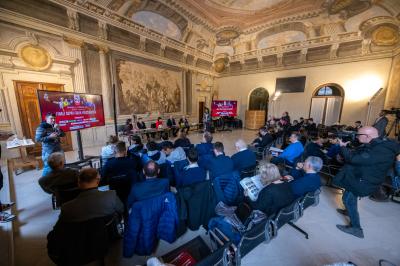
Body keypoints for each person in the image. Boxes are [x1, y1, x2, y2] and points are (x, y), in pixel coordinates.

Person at [333, 126, 399, 238]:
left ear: (367, 136)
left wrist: (343, 148)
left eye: (359, 135)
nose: (357, 137)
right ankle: (349, 211)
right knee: (348, 198)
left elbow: (354, 159)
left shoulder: (380, 150)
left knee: (348, 199)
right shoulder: (380, 143)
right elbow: (362, 153)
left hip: (364, 181)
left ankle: (356, 228)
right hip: (361, 177)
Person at [59, 168, 124, 222]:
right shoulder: (111, 196)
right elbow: (121, 210)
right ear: (98, 181)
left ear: (78, 183)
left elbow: (55, 235)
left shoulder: (67, 208)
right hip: (109, 234)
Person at [35, 112, 65, 177]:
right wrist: (49, 137)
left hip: (58, 149)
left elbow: (63, 134)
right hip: (48, 151)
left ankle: (59, 178)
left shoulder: (55, 125)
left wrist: (58, 129)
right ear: (46, 119)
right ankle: (44, 181)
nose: (53, 120)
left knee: (62, 164)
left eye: (54, 118)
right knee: (48, 167)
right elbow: (37, 139)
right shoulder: (42, 127)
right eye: (51, 118)